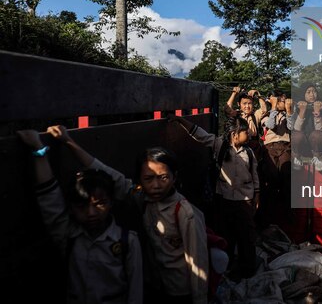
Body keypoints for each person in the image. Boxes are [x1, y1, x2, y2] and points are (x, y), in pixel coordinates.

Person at [39, 125, 209, 304]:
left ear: (175, 177)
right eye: (148, 179)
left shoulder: (185, 212)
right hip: (155, 286)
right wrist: (68, 142)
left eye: (163, 177)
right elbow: (108, 174)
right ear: (140, 180)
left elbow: (199, 262)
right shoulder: (142, 198)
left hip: (179, 291)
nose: (156, 185)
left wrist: (199, 299)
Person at [17, 128, 143, 304]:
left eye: (99, 204)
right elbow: (49, 198)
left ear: (111, 203)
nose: (91, 213)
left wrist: (66, 142)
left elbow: (136, 293)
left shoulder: (127, 242)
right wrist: (39, 150)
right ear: (72, 207)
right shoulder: (69, 236)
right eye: (82, 206)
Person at [171, 115, 259, 280]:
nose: (248, 135)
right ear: (235, 134)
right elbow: (199, 134)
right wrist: (180, 120)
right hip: (224, 199)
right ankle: (226, 268)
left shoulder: (249, 152)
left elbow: (255, 176)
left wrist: (256, 196)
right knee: (226, 234)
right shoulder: (219, 145)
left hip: (244, 201)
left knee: (246, 236)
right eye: (245, 132)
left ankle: (248, 269)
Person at [259, 90, 293, 227]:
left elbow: (291, 127)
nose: (283, 103)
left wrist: (289, 111)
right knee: (271, 178)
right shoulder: (266, 115)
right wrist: (273, 107)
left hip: (285, 146)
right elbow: (271, 125)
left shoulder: (289, 114)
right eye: (280, 100)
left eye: (284, 100)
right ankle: (268, 218)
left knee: (287, 175)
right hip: (270, 148)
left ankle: (288, 216)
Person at [291, 83, 322, 172]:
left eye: (314, 92)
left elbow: (321, 132)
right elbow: (296, 129)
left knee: (317, 134)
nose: (312, 95)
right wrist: (302, 111)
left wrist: (317, 113)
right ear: (303, 94)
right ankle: (297, 158)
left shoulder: (321, 106)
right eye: (308, 92)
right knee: (296, 135)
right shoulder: (297, 106)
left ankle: (317, 158)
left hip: (317, 146)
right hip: (302, 145)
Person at [224, 87, 267, 160]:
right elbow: (227, 109)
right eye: (244, 103)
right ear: (239, 104)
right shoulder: (236, 115)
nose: (247, 106)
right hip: (239, 145)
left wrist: (258, 94)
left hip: (254, 146)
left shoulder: (255, 115)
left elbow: (264, 110)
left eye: (249, 103)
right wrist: (234, 94)